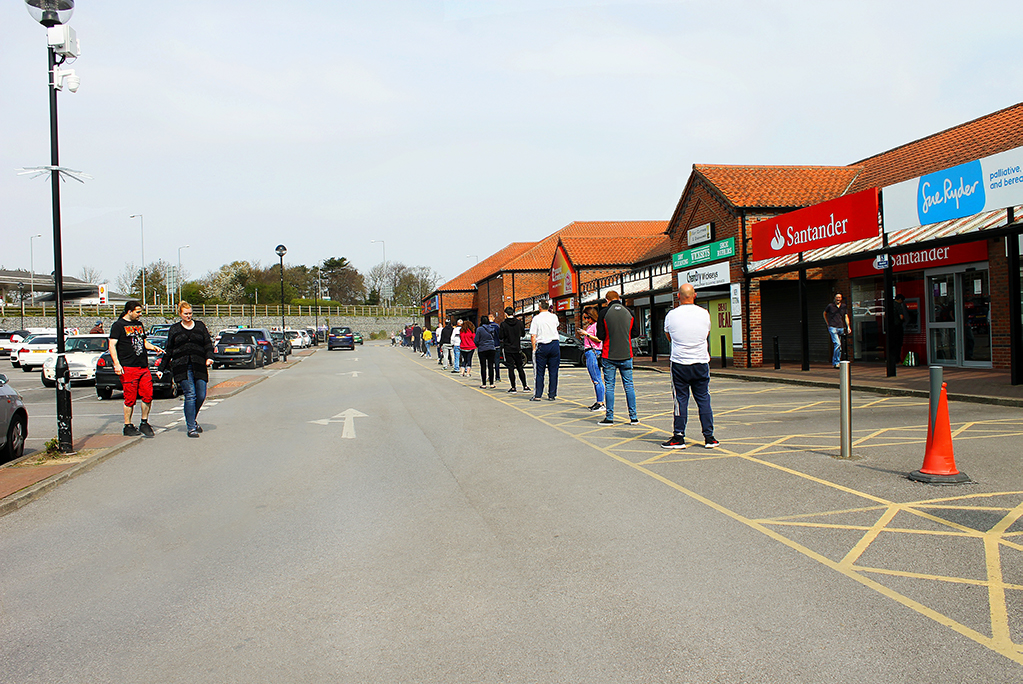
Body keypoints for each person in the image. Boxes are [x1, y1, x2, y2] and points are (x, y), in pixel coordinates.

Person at [661, 283, 718, 449]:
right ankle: (709, 437)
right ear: (695, 295)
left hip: (680, 362)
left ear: (678, 296)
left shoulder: (671, 315)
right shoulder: (704, 313)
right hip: (701, 361)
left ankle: (679, 436)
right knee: (704, 399)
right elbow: (706, 334)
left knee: (680, 400)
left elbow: (669, 336)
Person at [158, 301, 214, 438]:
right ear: (180, 314)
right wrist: (161, 368)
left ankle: (192, 419)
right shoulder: (175, 329)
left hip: (199, 365)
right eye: (186, 314)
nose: (188, 316)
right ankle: (191, 428)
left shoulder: (200, 326)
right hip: (181, 366)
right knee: (190, 394)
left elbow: (207, 343)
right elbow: (169, 350)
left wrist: (209, 357)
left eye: (190, 314)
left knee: (201, 395)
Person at [108, 300, 164, 438]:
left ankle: (144, 422)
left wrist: (153, 347)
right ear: (129, 311)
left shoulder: (139, 325)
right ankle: (127, 425)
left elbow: (143, 342)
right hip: (128, 366)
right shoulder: (118, 326)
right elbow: (112, 345)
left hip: (142, 366)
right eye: (138, 312)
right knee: (130, 398)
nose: (140, 315)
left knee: (148, 394)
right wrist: (117, 363)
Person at [595, 290, 639, 425]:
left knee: (610, 386)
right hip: (626, 353)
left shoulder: (603, 313)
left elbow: (600, 336)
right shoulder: (629, 312)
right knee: (629, 385)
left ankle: (609, 417)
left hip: (609, 354)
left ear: (607, 300)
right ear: (618, 298)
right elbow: (636, 332)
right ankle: (633, 417)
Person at [529, 300, 560, 401]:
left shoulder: (536, 319)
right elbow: (556, 325)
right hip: (554, 344)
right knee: (553, 371)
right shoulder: (554, 317)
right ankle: (552, 394)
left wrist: (534, 348)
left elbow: (533, 335)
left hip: (542, 345)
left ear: (539, 307)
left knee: (540, 372)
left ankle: (538, 394)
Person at [576, 306, 605, 412]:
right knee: (594, 379)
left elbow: (599, 340)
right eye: (585, 318)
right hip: (589, 353)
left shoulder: (596, 326)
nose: (586, 320)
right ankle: (598, 401)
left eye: (587, 317)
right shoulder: (591, 326)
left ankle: (601, 403)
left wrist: (586, 334)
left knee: (597, 379)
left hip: (593, 352)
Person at [500, 306, 529, 393]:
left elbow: (500, 336)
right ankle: (525, 386)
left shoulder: (503, 324)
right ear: (513, 313)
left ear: (506, 314)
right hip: (517, 348)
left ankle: (513, 387)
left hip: (508, 348)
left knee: (511, 368)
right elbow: (523, 334)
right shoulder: (519, 323)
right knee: (520, 368)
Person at [823, 293, 851, 368]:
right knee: (837, 344)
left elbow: (846, 316)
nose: (838, 299)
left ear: (841, 298)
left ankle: (837, 361)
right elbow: (824, 313)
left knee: (840, 346)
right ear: (835, 298)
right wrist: (828, 323)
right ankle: (836, 362)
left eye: (839, 297)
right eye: (837, 297)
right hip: (833, 327)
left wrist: (848, 326)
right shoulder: (830, 306)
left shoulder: (843, 306)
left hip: (840, 327)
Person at [476, 315, 498, 388]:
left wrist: (478, 345)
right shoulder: (492, 328)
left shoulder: (479, 329)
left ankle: (484, 383)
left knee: (483, 366)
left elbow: (476, 340)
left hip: (482, 349)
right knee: (491, 366)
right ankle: (492, 383)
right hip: (491, 348)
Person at [891, 294, 908, 364]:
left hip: (891, 327)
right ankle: (897, 360)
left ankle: (891, 359)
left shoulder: (890, 304)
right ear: (900, 299)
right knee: (898, 343)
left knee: (892, 343)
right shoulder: (898, 305)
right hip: (897, 326)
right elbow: (901, 316)